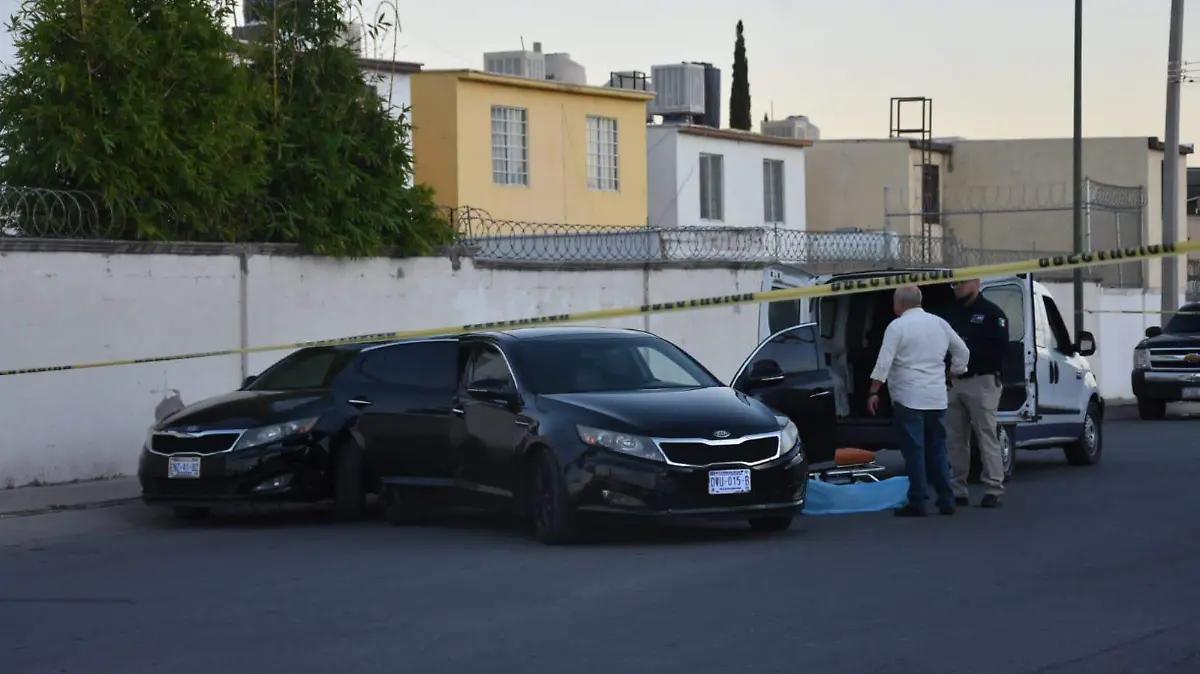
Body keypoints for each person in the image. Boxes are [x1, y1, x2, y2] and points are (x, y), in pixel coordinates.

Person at [867, 286, 970, 517]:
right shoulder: (940, 323)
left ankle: (918, 500)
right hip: (936, 398)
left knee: (915, 451)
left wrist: (874, 392)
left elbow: (884, 363)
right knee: (938, 450)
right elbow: (962, 351)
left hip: (908, 397)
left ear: (900, 304)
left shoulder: (897, 327)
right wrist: (954, 372)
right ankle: (946, 499)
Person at [944, 278, 1010, 509]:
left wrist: (965, 355)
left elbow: (997, 350)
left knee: (985, 434)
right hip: (954, 382)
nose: (957, 287)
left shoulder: (992, 314)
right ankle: (958, 488)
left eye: (961, 283)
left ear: (976, 282)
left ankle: (993, 488)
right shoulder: (949, 314)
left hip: (981, 380)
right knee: (955, 439)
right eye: (954, 284)